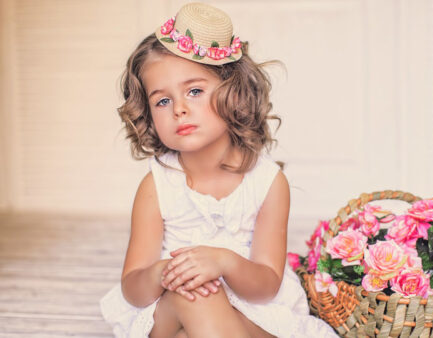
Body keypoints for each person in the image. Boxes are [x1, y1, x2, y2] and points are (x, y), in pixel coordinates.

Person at [99, 3, 338, 338]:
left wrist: (224, 262)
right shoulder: (157, 185)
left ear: (235, 95)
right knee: (196, 292)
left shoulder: (268, 183)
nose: (179, 109)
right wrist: (164, 273)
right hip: (169, 310)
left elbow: (267, 286)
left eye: (194, 91)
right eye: (162, 101)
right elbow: (133, 289)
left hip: (253, 310)